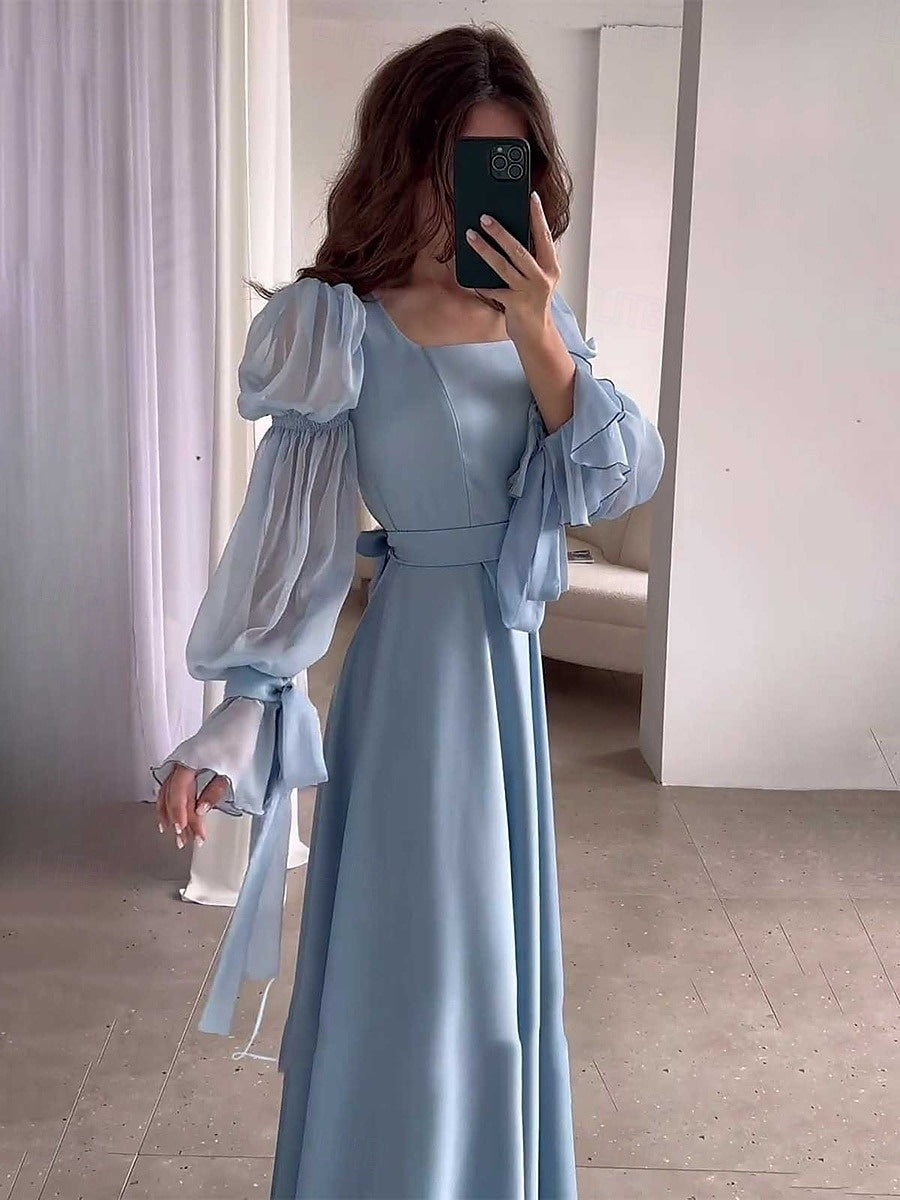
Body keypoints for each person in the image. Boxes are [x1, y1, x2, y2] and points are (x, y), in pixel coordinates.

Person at [150, 23, 665, 1200]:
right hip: (417, 681)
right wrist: (241, 710)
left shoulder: (541, 322)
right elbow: (292, 539)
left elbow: (620, 476)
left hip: (505, 676)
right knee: (423, 958)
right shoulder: (339, 324)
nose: (480, 187)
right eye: (458, 158)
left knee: (493, 975)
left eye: (506, 161)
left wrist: (539, 331)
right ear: (407, 155)